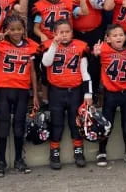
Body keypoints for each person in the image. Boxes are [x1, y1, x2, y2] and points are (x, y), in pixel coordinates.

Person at [0, 15, 40, 176]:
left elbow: (33, 72)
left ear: (24, 30)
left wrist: (35, 94)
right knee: (3, 125)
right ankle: (1, 161)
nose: (16, 32)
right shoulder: (1, 44)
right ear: (6, 30)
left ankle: (19, 159)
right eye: (12, 29)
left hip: (22, 90)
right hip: (4, 90)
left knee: (19, 126)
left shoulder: (31, 46)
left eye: (19, 29)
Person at [41, 20, 93, 169]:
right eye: (60, 32)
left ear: (72, 32)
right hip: (56, 91)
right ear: (54, 34)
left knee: (75, 123)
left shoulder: (80, 46)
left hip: (74, 91)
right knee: (56, 123)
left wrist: (88, 93)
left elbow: (84, 72)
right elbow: (46, 63)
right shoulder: (48, 46)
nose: (64, 35)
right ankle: (54, 153)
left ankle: (78, 152)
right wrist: (54, 45)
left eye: (67, 32)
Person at [93, 24, 126, 166]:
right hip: (110, 93)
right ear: (107, 39)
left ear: (125, 36)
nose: (118, 37)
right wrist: (95, 56)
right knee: (107, 125)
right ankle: (101, 152)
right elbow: (94, 70)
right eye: (115, 35)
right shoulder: (103, 50)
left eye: (121, 34)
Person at [58, 0, 106, 100]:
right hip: (75, 32)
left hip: (95, 30)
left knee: (95, 61)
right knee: (78, 62)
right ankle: (79, 92)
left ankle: (94, 91)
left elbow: (100, 6)